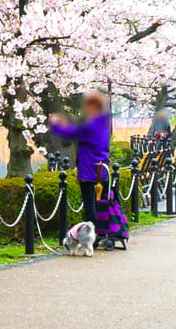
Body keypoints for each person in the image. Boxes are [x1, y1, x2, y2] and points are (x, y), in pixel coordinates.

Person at [43, 94, 128, 251]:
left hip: (90, 171)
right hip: (103, 170)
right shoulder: (102, 123)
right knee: (102, 204)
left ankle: (91, 238)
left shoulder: (92, 125)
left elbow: (71, 133)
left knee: (90, 205)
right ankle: (102, 233)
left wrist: (55, 124)